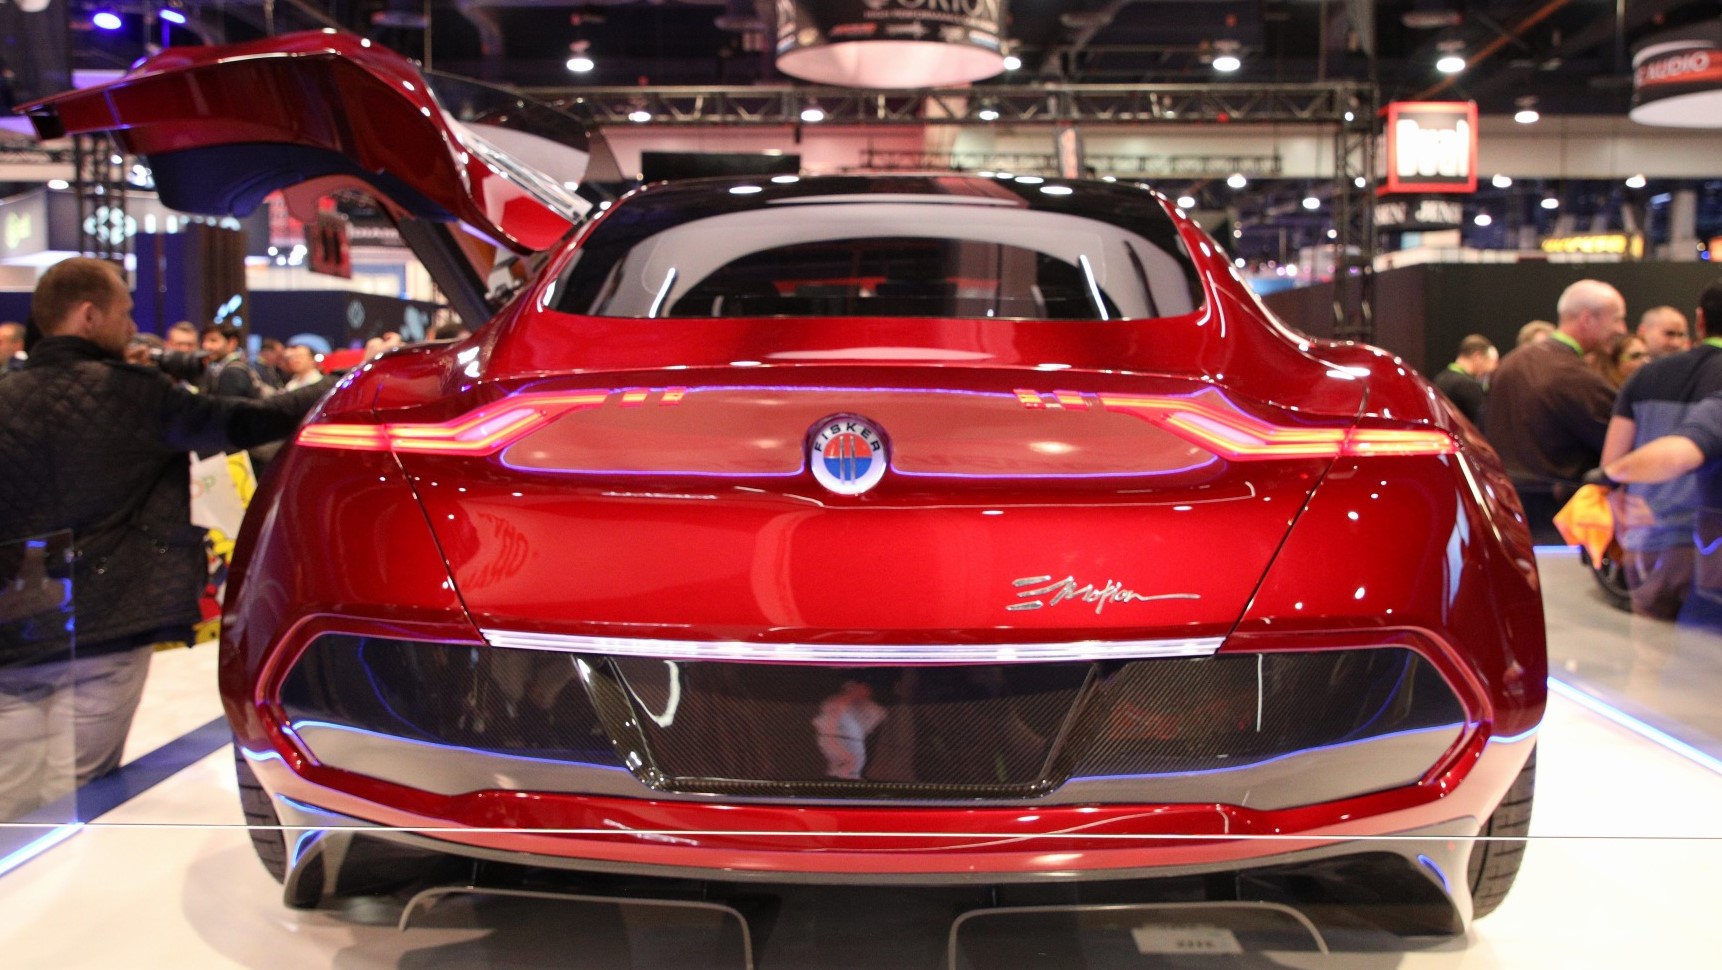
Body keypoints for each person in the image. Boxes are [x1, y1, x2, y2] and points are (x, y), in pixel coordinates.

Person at [0, 257, 327, 820]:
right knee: (76, 795)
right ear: (88, 315)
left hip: (16, 624)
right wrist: (344, 384)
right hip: (107, 623)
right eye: (124, 314)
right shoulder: (133, 394)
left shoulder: (6, 396)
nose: (132, 327)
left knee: (13, 791)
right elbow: (246, 422)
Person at [1597, 281, 1722, 617]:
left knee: (1647, 645)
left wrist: (1623, 515)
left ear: (1700, 320)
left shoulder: (1645, 375)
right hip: (1712, 548)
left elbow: (1611, 465)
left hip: (1649, 543)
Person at [1486, 279, 1626, 542]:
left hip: (1507, 515)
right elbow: (1621, 442)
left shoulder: (1510, 362)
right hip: (1562, 523)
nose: (1622, 329)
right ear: (1588, 319)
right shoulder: (1573, 376)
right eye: (1617, 319)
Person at [1432, 334, 1497, 426]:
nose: (1487, 370)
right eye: (1488, 361)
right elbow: (1484, 423)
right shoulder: (1469, 386)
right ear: (1478, 356)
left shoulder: (1439, 378)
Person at [199, 323, 262, 399]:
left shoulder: (232, 372)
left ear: (232, 343)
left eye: (213, 340)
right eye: (204, 340)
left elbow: (228, 405)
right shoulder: (235, 366)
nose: (206, 346)